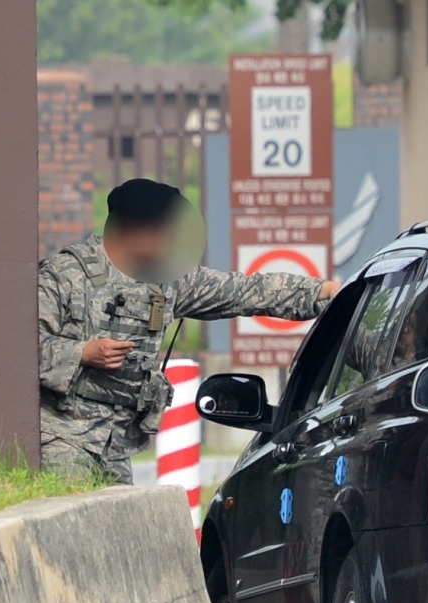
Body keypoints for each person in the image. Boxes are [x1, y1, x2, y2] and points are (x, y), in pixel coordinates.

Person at [39, 179, 340, 483]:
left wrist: (320, 292)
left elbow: (243, 291)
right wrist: (84, 353)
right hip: (64, 438)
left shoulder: (168, 279)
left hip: (116, 446)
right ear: (131, 229)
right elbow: (21, 350)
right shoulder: (64, 275)